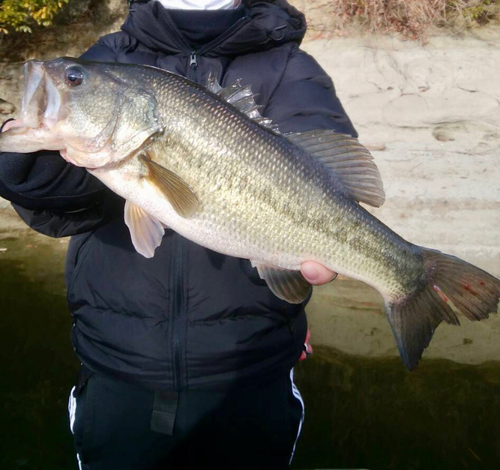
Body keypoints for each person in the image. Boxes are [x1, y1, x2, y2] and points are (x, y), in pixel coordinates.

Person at [0, 0, 357, 468]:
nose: (66, 80)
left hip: (249, 379)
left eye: (73, 79)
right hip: (117, 376)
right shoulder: (115, 54)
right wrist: (28, 168)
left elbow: (332, 175)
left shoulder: (291, 68)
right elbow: (63, 212)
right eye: (74, 78)